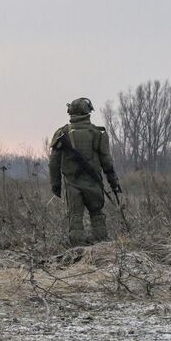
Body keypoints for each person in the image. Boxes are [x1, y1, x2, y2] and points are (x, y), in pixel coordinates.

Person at [48, 97, 122, 246]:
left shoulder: (61, 134)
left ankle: (77, 250)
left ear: (71, 113)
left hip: (72, 182)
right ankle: (101, 247)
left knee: (75, 216)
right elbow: (107, 161)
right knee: (97, 214)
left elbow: (53, 163)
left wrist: (55, 184)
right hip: (93, 182)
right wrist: (113, 182)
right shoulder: (98, 133)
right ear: (87, 111)